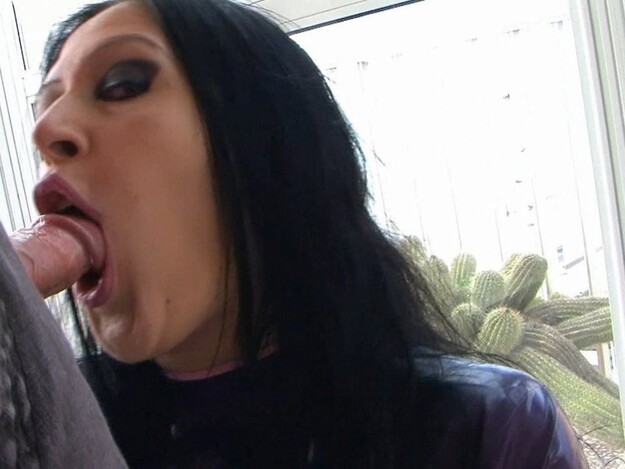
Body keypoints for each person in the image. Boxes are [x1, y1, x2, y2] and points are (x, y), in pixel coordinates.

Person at [8, 0, 588, 467]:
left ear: (267, 148)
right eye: (45, 106)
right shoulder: (35, 433)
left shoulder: (486, 430)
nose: (45, 131)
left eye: (122, 83)